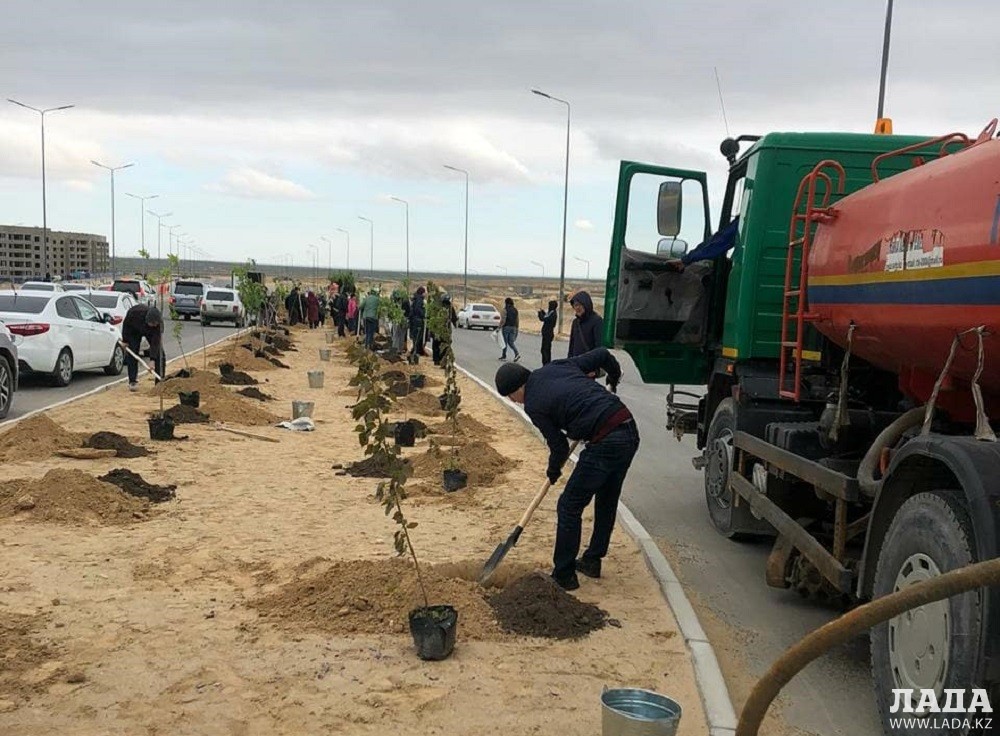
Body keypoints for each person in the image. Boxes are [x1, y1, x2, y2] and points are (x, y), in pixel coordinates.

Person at [495, 348, 636, 590]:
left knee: (569, 505)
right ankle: (592, 560)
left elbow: (558, 446)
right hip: (628, 429)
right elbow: (602, 355)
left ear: (518, 388)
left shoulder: (534, 404)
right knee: (606, 499)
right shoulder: (558, 366)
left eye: (511, 396)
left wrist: (553, 471)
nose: (513, 402)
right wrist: (613, 377)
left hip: (605, 441)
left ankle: (564, 574)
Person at [121, 304, 165, 393]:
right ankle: (133, 381)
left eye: (155, 324)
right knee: (133, 353)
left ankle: (159, 381)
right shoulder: (134, 313)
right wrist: (125, 340)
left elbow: (155, 342)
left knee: (160, 354)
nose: (154, 325)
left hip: (150, 333)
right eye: (152, 324)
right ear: (148, 320)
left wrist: (152, 360)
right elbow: (126, 325)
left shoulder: (157, 325)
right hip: (134, 331)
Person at [567, 291, 603, 358]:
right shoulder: (575, 322)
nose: (577, 308)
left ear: (586, 304)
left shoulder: (597, 321)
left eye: (579, 305)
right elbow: (572, 346)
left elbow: (599, 347)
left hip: (590, 364)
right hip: (576, 363)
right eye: (575, 305)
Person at [431, 294, 458, 365]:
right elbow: (454, 318)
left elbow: (432, 318)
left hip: (438, 329)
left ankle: (437, 360)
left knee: (437, 344)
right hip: (444, 329)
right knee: (443, 344)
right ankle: (441, 359)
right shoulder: (449, 307)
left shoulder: (438, 307)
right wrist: (455, 324)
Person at [499, 297, 520, 362]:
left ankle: (504, 355)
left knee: (504, 342)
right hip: (513, 327)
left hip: (506, 327)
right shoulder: (515, 310)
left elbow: (503, 320)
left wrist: (499, 327)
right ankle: (517, 353)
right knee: (511, 342)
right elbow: (517, 320)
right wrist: (517, 328)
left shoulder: (505, 310)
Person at [409, 286, 427, 360]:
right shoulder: (419, 300)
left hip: (414, 320)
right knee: (417, 336)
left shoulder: (415, 298)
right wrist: (424, 315)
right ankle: (415, 352)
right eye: (424, 292)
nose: (425, 294)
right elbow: (418, 309)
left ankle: (415, 350)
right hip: (418, 320)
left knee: (415, 336)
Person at [537, 299, 557, 365]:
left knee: (545, 350)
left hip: (548, 334)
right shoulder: (551, 312)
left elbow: (543, 319)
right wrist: (542, 311)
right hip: (546, 334)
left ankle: (546, 364)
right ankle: (546, 364)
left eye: (549, 305)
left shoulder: (553, 314)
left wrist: (540, 314)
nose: (548, 306)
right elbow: (546, 316)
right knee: (546, 350)